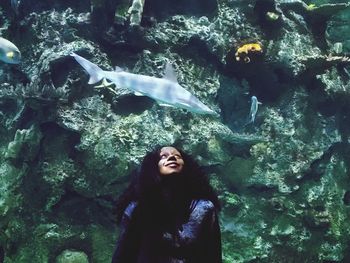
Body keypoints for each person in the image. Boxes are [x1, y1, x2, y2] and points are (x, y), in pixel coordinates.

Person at [112, 145, 222, 263]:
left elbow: (212, 255)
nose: (172, 158)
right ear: (153, 166)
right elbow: (123, 254)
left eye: (177, 156)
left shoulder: (204, 208)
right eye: (164, 156)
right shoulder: (137, 208)